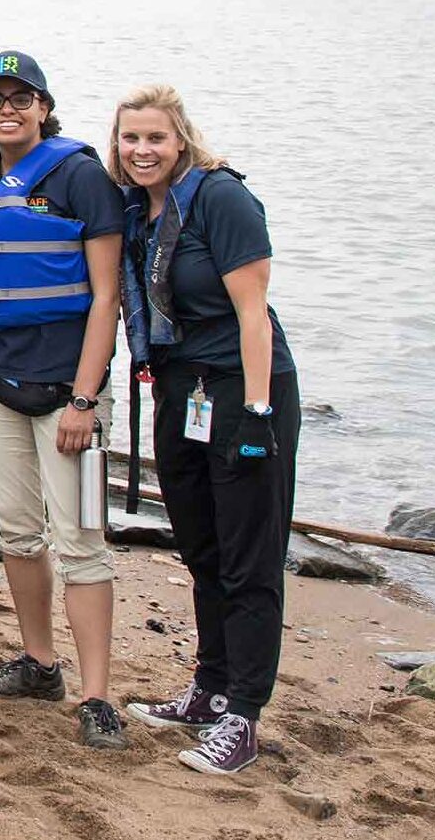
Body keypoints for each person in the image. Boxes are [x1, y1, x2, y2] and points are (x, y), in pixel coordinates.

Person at [0, 50, 128, 751]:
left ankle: (99, 695)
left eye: (21, 98)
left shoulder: (82, 177)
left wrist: (84, 400)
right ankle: (41, 664)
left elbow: (106, 298)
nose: (6, 109)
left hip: (71, 397)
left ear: (44, 107)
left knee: (83, 541)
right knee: (16, 531)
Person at [112, 86, 299, 776]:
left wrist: (256, 414)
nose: (142, 151)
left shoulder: (221, 199)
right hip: (181, 387)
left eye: (155, 138)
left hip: (243, 387)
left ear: (181, 138)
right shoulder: (140, 208)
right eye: (131, 138)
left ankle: (243, 716)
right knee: (201, 546)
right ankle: (209, 686)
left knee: (250, 558)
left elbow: (254, 314)